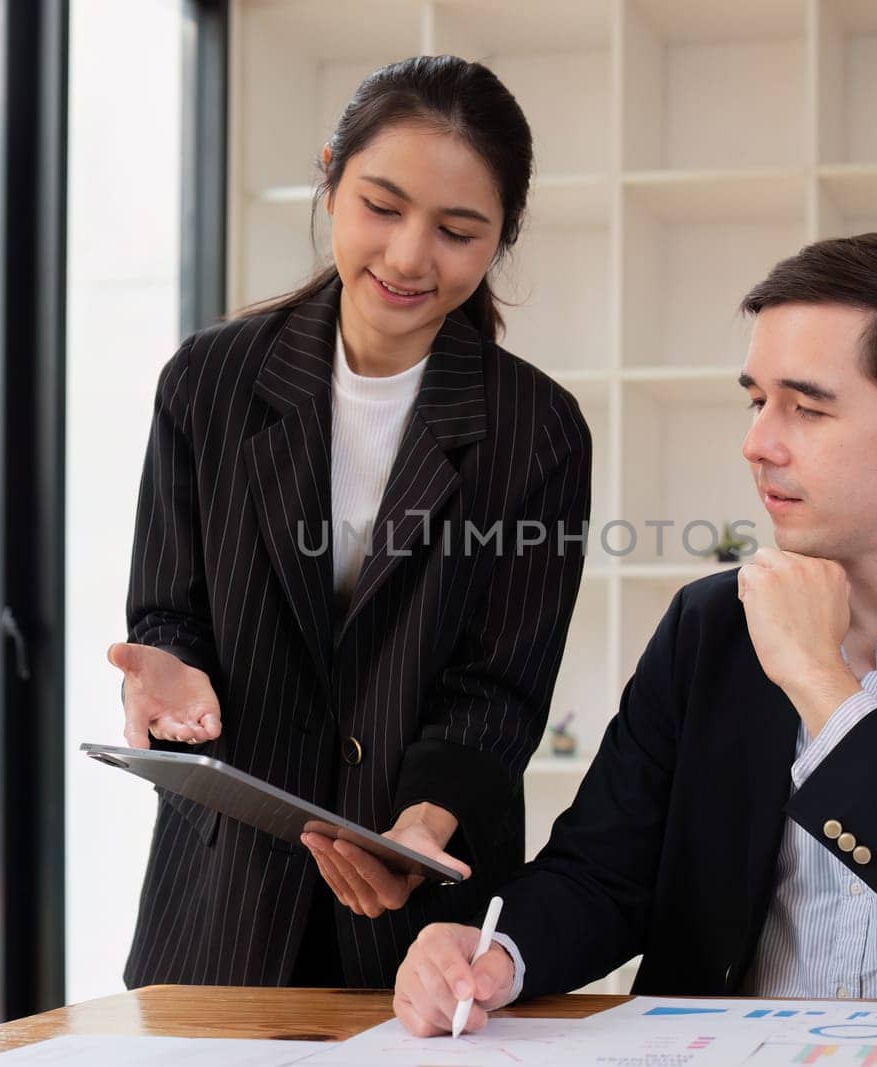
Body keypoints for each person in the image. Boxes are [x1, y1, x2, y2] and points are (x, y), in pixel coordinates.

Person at [391, 233, 877, 1032]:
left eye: (807, 407)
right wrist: (493, 948)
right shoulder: (709, 625)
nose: (757, 442)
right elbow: (601, 875)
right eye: (757, 399)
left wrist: (820, 683)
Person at [108, 55, 593, 988]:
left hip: (425, 921)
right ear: (329, 176)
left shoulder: (537, 430)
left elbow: (501, 685)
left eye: (458, 230)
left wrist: (423, 821)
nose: (411, 256)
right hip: (223, 905)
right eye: (382, 206)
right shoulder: (209, 382)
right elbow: (169, 608)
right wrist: (166, 669)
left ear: (501, 238)